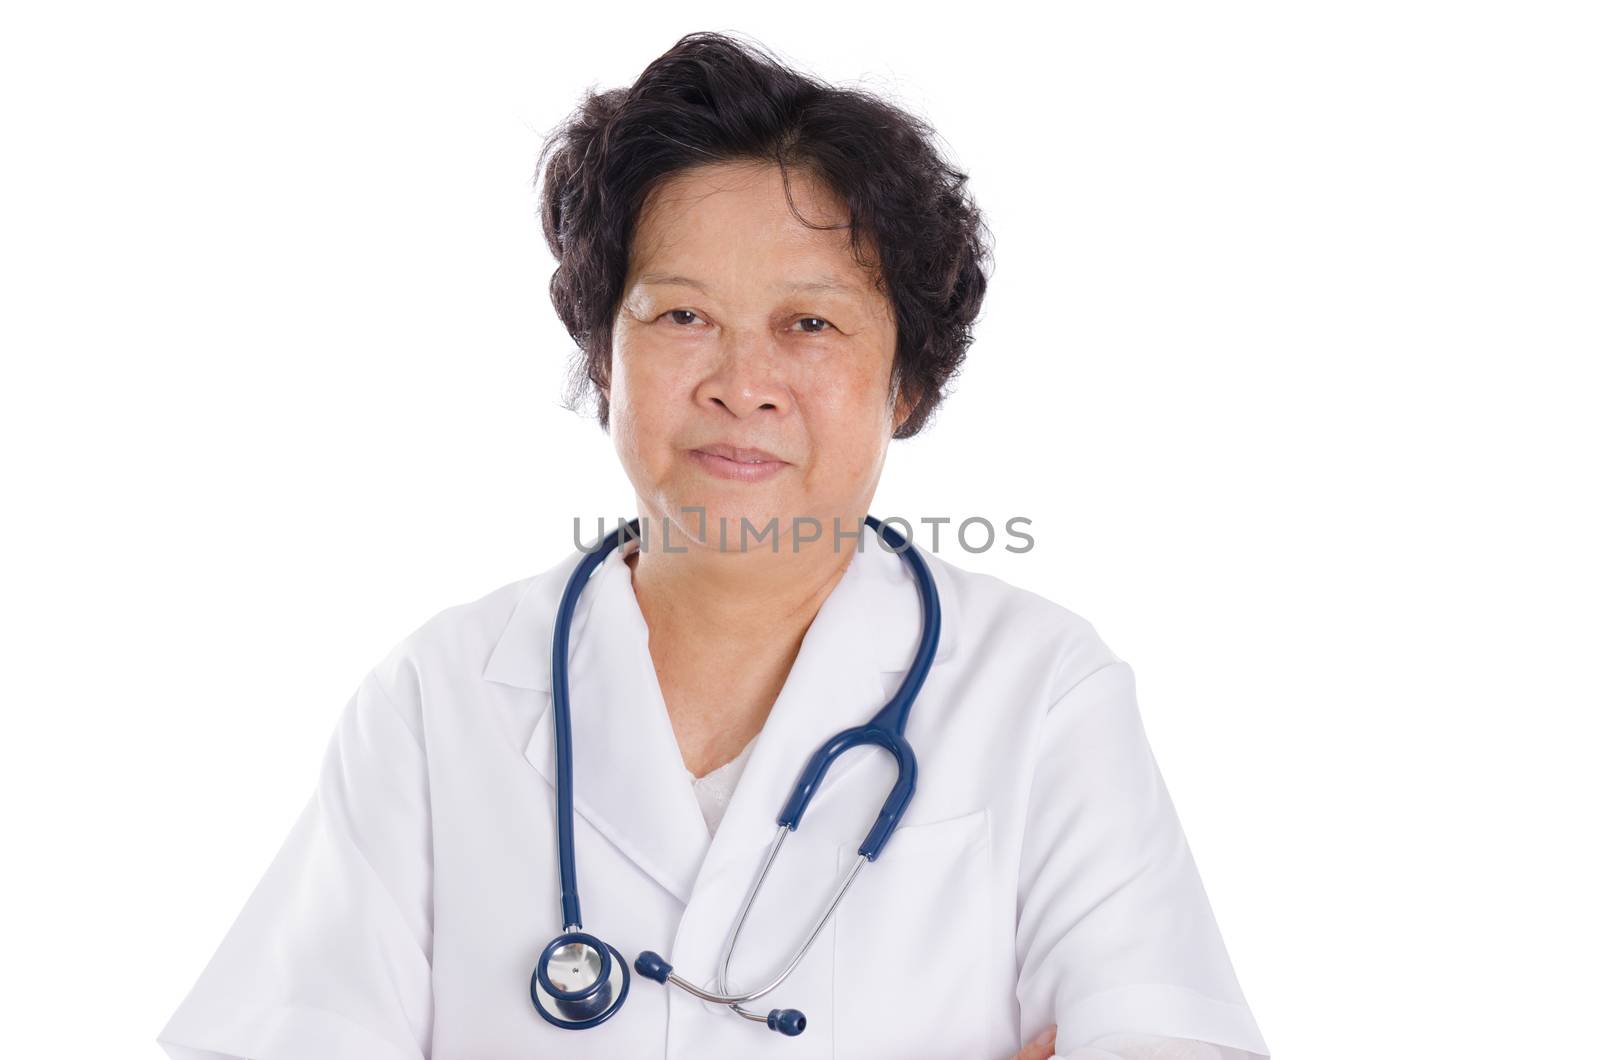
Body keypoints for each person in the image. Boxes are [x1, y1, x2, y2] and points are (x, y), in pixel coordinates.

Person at [156, 30, 1269, 1060]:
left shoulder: (1039, 692)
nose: (742, 384)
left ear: (910, 379)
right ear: (605, 355)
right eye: (680, 315)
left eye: (811, 324)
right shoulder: (438, 701)